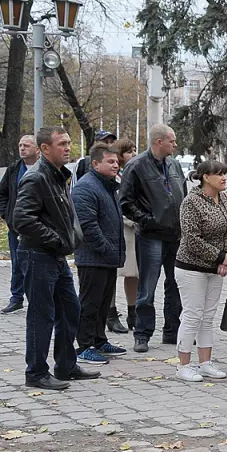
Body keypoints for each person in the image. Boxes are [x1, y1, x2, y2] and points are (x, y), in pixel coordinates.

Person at [12, 127, 99, 391]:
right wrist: (56, 240)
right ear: (45, 149)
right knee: (42, 315)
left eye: (68, 143)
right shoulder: (36, 177)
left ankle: (65, 365)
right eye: (61, 143)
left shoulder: (58, 175)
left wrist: (66, 241)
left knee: (70, 309)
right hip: (38, 254)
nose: (67, 147)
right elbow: (22, 220)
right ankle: (36, 372)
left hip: (55, 256)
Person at [120, 123, 187, 353]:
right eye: (172, 140)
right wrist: (146, 220)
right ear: (159, 141)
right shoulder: (136, 166)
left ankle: (172, 332)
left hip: (175, 235)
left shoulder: (175, 165)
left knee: (175, 284)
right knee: (147, 287)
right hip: (150, 236)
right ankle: (142, 333)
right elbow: (126, 202)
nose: (175, 144)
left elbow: (182, 196)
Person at [174, 159, 227, 382]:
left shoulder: (225, 198)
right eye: (219, 174)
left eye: (225, 173)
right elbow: (191, 239)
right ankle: (183, 365)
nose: (224, 178)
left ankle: (205, 363)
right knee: (192, 314)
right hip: (191, 267)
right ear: (205, 177)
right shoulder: (191, 202)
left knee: (208, 316)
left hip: (215, 268)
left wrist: (226, 258)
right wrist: (220, 256)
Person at [69, 142, 127, 366]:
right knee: (90, 303)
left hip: (108, 258)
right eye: (110, 162)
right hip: (93, 258)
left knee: (103, 303)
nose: (116, 165)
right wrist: (108, 250)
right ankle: (84, 346)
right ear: (95, 164)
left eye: (116, 161)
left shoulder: (108, 186)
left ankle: (99, 340)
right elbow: (88, 227)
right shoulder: (87, 187)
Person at [0, 134, 40, 315]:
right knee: (17, 262)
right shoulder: (14, 168)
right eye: (20, 145)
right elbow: (2, 192)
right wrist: (7, 215)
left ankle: (37, 300)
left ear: (38, 149)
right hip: (16, 227)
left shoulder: (44, 168)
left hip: (38, 227)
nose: (22, 148)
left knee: (37, 264)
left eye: (27, 145)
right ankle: (16, 298)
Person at [108, 139, 139, 335]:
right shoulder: (112, 176)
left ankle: (133, 312)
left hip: (134, 232)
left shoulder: (135, 173)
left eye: (135, 150)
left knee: (133, 273)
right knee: (112, 274)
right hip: (117, 230)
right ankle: (110, 314)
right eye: (129, 151)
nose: (134, 154)